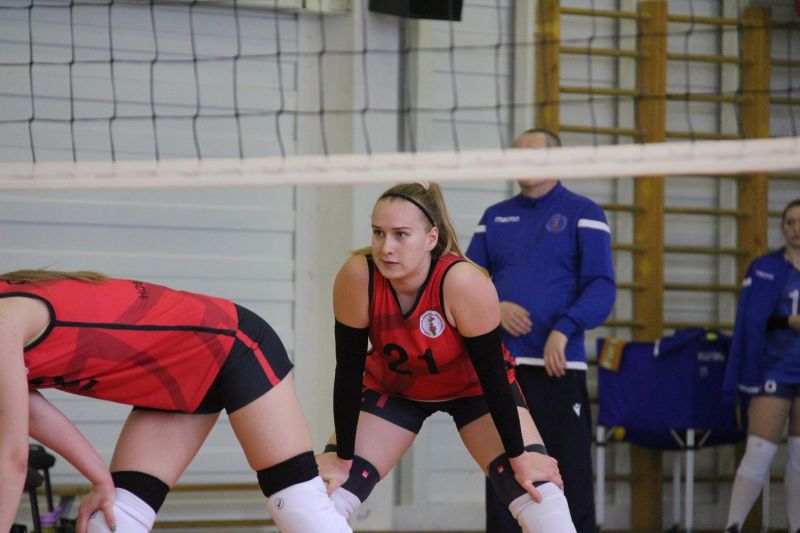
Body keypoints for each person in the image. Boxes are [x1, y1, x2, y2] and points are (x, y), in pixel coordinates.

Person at [0, 269, 351, 533]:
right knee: (110, 523)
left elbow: (14, 458)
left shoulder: (4, 323)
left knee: (300, 510)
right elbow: (32, 414)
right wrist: (101, 481)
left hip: (234, 347)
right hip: (171, 385)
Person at [315, 181, 577, 533]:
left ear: (431, 238)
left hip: (474, 391)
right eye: (378, 233)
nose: (386, 247)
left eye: (400, 235)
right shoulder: (358, 275)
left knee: (541, 497)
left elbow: (493, 378)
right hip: (395, 390)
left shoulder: (463, 282)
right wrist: (341, 457)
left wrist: (520, 458)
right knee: (318, 501)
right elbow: (348, 371)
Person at [466, 128, 616, 533]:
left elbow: (602, 286)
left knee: (568, 472)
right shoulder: (494, 217)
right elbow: (465, 281)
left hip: (558, 367)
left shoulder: (584, 213)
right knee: (505, 471)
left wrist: (564, 329)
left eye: (532, 153)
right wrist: (495, 306)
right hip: (503, 369)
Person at [722, 198, 800, 533]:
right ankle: (733, 525)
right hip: (774, 368)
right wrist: (788, 321)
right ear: (782, 229)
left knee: (799, 457)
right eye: (791, 222)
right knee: (759, 450)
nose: (797, 229)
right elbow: (752, 321)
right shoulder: (765, 267)